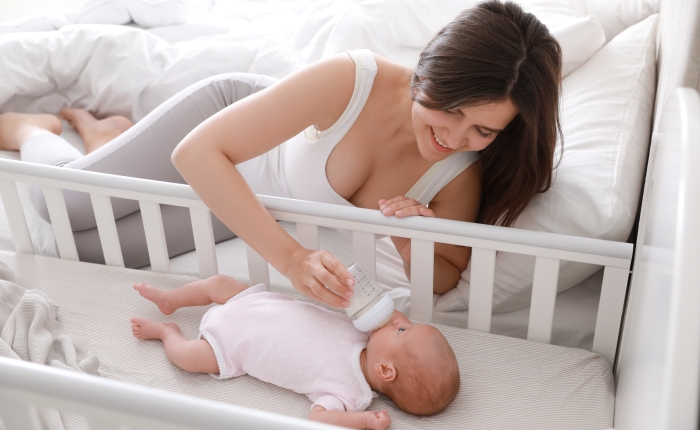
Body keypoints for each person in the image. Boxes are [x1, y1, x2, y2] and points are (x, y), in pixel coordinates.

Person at [0, 0, 562, 307]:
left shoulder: (457, 170)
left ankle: (108, 136)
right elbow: (199, 152)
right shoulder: (351, 78)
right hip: (221, 138)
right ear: (427, 71)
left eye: (484, 130)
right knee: (63, 205)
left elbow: (444, 276)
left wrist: (408, 234)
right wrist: (290, 259)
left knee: (91, 249)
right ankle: (33, 128)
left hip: (248, 196)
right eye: (452, 110)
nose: (457, 136)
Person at [130, 275, 460, 429]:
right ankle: (171, 299)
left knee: (188, 357)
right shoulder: (366, 330)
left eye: (402, 331)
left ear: (386, 371)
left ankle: (166, 333)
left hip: (230, 347)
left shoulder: (350, 392)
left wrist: (362, 421)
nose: (399, 320)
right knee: (217, 283)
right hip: (251, 302)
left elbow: (318, 419)